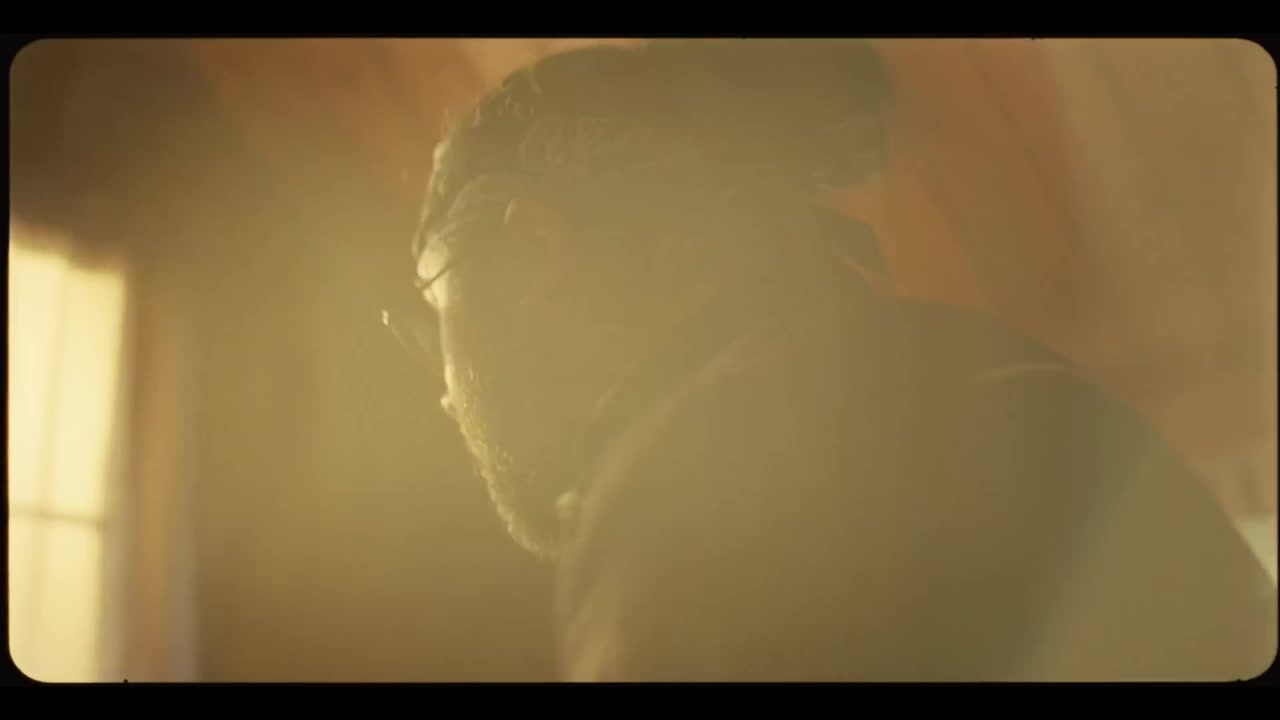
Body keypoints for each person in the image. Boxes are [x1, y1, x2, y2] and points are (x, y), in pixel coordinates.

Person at [389, 39, 1276, 681]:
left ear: (531, 248)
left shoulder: (693, 520)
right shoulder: (998, 384)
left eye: (435, 302)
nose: (443, 391)